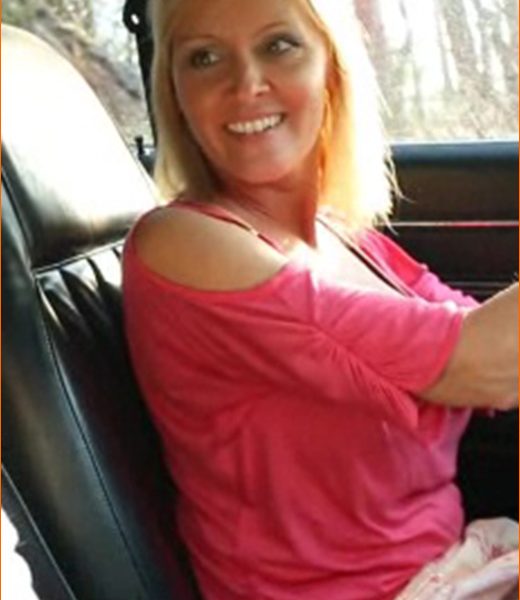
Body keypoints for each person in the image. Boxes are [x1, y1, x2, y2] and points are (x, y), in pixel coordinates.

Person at [122, 0, 519, 598]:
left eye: (278, 45)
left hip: (448, 570)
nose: (246, 85)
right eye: (204, 58)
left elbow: (495, 357)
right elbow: (478, 361)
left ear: (332, 66)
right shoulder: (182, 243)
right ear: (176, 93)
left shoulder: (346, 240)